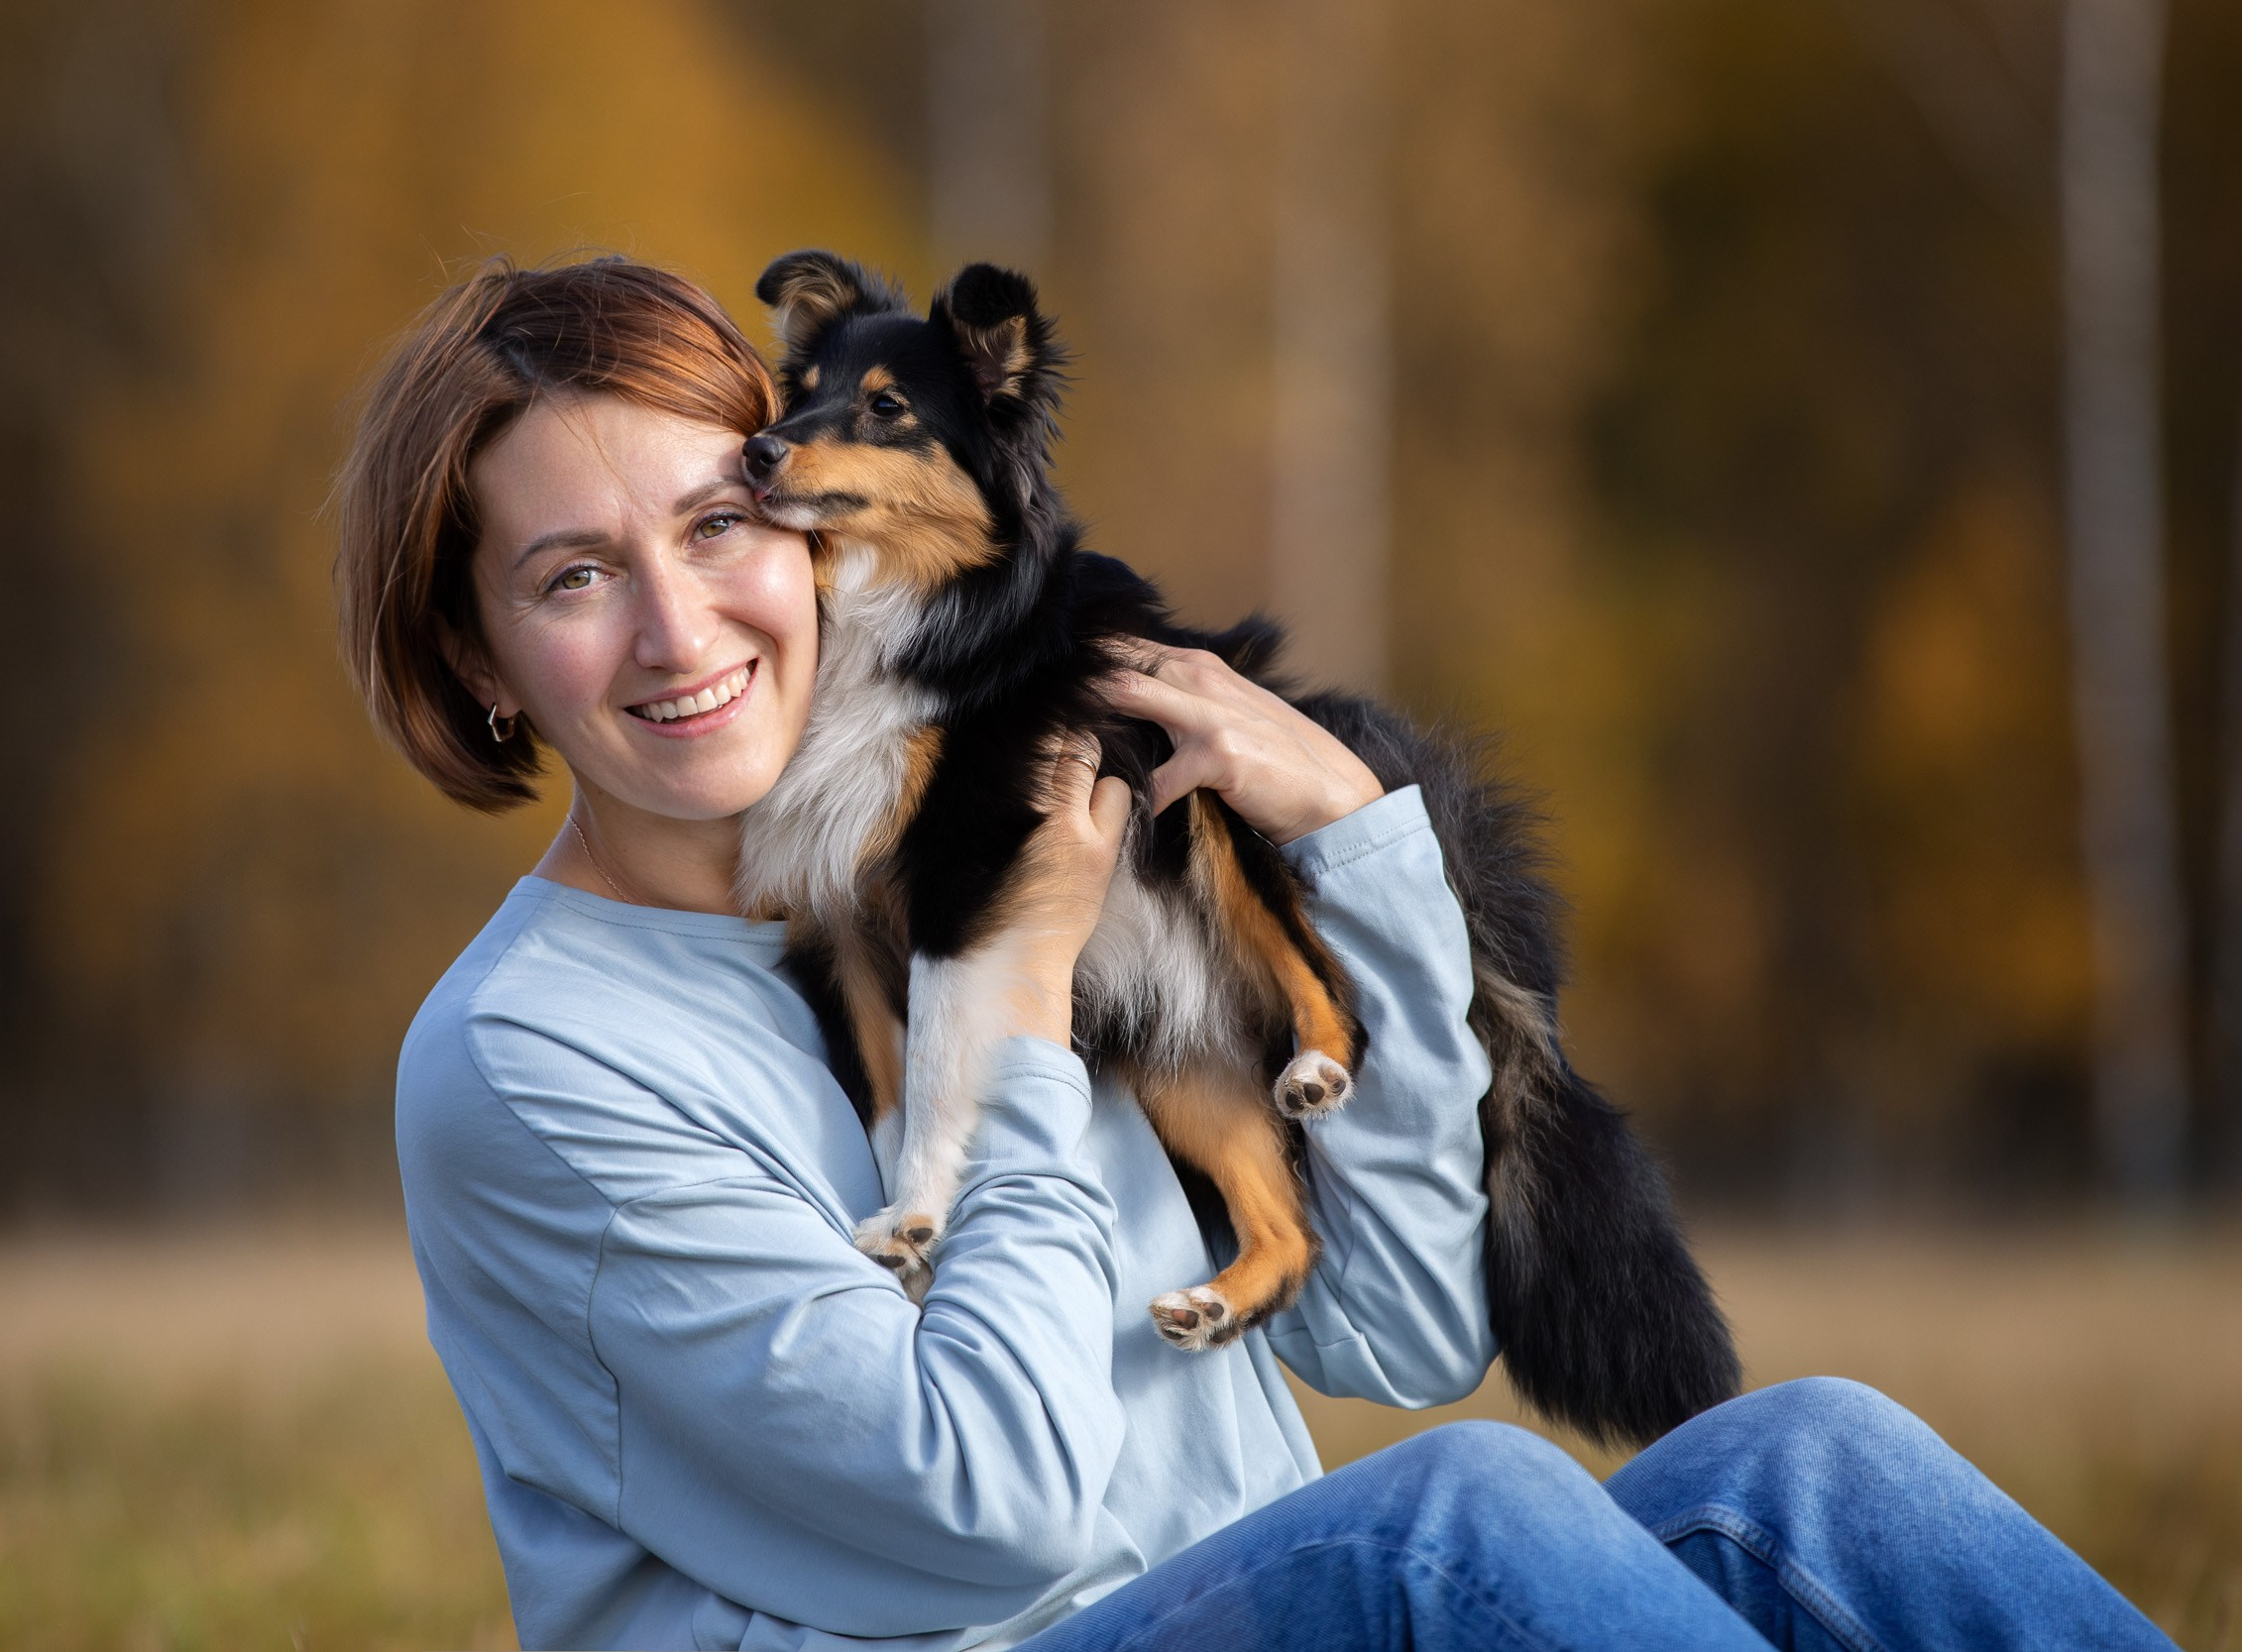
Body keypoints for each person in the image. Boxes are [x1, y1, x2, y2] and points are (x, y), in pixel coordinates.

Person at [336, 254, 2173, 1652]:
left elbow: (1404, 1325)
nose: (680, 624)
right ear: (482, 661)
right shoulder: (537, 1059)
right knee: (1445, 1526)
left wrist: (1354, 853)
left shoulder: (986, 834)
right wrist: (1025, 1014)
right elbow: (997, 1507)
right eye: (573, 578)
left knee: (1814, 1466)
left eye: (719, 522)